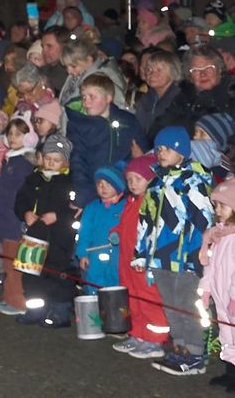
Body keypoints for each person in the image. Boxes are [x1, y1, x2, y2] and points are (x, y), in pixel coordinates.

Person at [133, 126, 214, 376]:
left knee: (186, 303)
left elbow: (204, 219)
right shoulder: (156, 183)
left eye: (167, 148)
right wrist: (140, 252)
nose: (161, 153)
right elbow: (145, 218)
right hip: (160, 257)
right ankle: (179, 347)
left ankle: (195, 351)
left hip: (186, 256)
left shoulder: (194, 180)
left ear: (181, 151)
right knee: (170, 303)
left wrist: (202, 250)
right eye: (158, 148)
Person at [13, 134, 78, 327]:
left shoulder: (70, 183)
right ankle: (35, 309)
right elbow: (20, 201)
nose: (51, 163)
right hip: (33, 235)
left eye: (56, 160)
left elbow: (75, 210)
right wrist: (25, 213)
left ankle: (60, 311)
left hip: (59, 238)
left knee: (59, 274)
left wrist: (58, 217)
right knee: (31, 274)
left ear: (65, 162)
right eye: (48, 159)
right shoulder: (33, 179)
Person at [111, 155, 169, 359]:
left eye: (138, 179)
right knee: (131, 298)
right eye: (129, 180)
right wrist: (116, 232)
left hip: (145, 261)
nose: (133, 183)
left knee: (149, 299)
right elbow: (125, 225)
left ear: (151, 178)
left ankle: (155, 340)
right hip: (127, 260)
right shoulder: (130, 201)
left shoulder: (153, 202)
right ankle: (138, 334)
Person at [0, 113, 38, 315]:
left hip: (15, 222)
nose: (13, 138)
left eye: (19, 134)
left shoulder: (22, 163)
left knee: (15, 264)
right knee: (8, 262)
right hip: (7, 219)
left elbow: (15, 192)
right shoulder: (12, 160)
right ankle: (10, 297)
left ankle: (18, 302)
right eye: (10, 133)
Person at [64, 73, 144, 206]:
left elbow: (140, 153)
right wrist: (85, 196)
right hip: (94, 192)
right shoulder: (77, 125)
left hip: (124, 192)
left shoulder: (128, 121)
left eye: (92, 97)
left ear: (108, 98)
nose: (86, 102)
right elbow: (77, 161)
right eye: (84, 97)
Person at [199, 180, 235, 391]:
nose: (218, 210)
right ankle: (230, 373)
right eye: (216, 206)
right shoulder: (219, 235)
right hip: (222, 299)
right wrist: (205, 289)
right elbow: (211, 265)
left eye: (222, 205)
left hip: (232, 299)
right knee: (227, 335)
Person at [74, 167, 126, 293]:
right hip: (95, 256)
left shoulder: (126, 207)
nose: (103, 188)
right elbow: (84, 233)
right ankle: (95, 308)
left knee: (117, 285)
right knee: (94, 283)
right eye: (99, 184)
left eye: (108, 184)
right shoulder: (92, 208)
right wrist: (83, 254)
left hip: (118, 257)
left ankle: (116, 310)